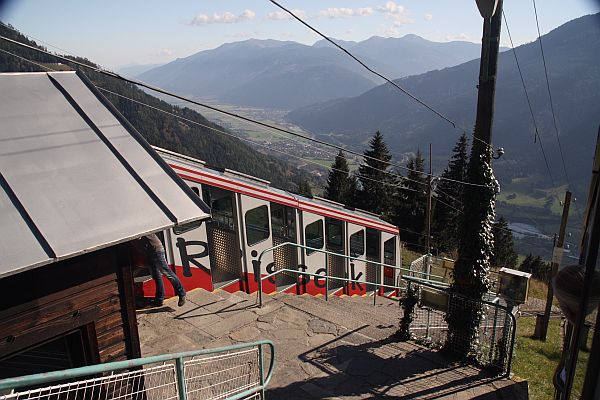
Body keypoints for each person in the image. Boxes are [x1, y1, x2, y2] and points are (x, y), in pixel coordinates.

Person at [136, 234, 186, 307]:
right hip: (150, 252)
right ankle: (159, 300)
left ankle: (181, 293)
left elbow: (138, 237)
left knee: (167, 272)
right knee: (157, 277)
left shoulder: (139, 227)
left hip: (155, 250)